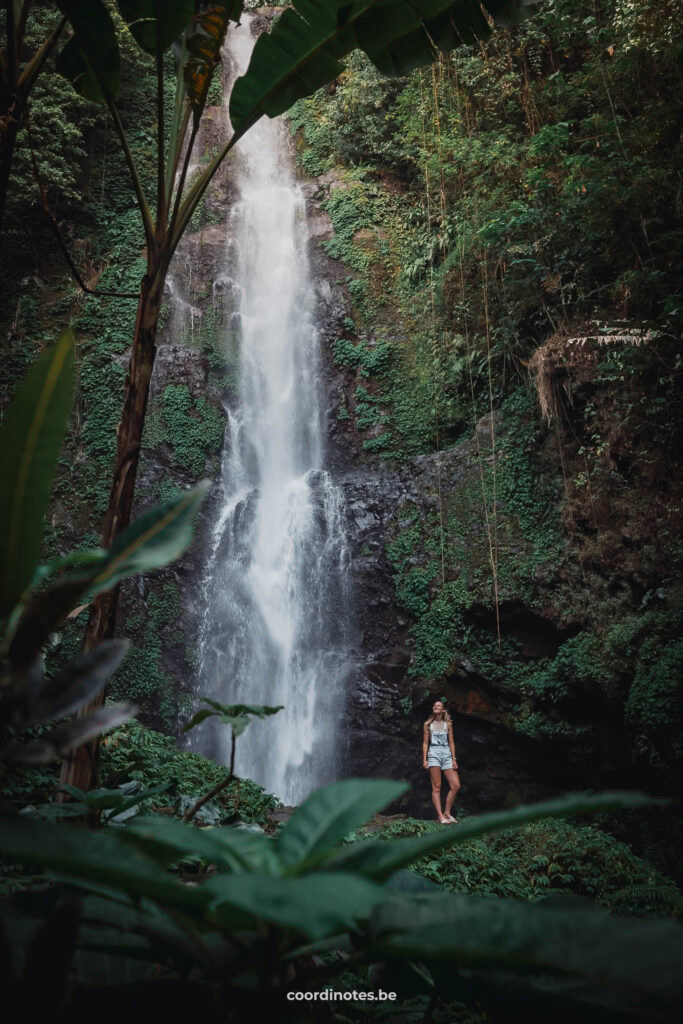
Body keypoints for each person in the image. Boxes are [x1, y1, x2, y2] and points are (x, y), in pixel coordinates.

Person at [423, 700, 460, 823]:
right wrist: (425, 759)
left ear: (443, 710)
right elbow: (425, 743)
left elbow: (452, 742)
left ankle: (447, 812)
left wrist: (454, 759)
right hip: (434, 754)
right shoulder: (428, 724)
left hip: (447, 754)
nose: (435, 706)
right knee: (437, 787)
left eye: (438, 705)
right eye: (434, 705)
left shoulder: (448, 724)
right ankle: (440, 816)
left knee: (455, 785)